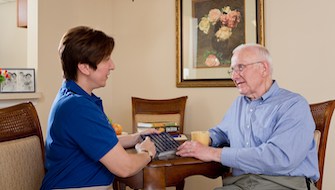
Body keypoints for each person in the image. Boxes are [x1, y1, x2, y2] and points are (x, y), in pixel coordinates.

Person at [176, 44, 319, 190]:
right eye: (232, 69)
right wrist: (205, 140)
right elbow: (222, 132)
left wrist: (213, 153)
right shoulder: (240, 103)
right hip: (243, 183)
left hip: (285, 184)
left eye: (240, 67)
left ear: (264, 68)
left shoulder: (293, 105)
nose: (234, 76)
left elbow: (279, 157)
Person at [40, 26, 157, 190]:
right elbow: (125, 168)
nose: (112, 65)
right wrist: (147, 153)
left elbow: (98, 142)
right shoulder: (78, 107)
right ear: (84, 67)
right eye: (106, 59)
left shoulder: (73, 98)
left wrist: (136, 137)